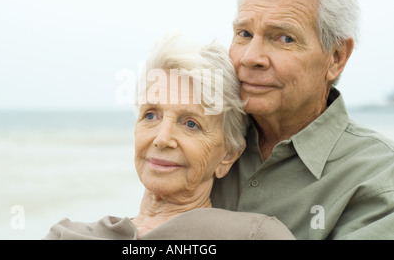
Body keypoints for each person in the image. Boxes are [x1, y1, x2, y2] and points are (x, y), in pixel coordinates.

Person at [211, 0, 394, 240]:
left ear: (336, 57)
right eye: (244, 34)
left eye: (284, 38)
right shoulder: (201, 143)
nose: (250, 57)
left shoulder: (380, 176)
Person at [43, 34, 296, 240]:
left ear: (228, 155)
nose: (162, 139)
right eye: (151, 115)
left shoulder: (255, 236)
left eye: (190, 124)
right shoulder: (65, 235)